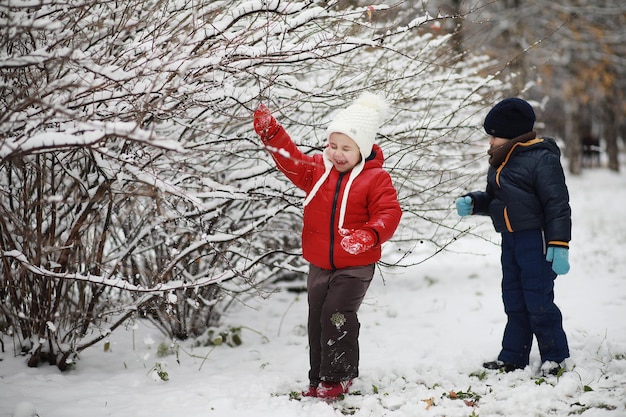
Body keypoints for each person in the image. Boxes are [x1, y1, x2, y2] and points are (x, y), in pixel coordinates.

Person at [253, 93, 402, 399]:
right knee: (317, 318)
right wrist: (271, 132)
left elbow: (389, 213)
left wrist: (369, 235)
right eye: (333, 146)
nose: (338, 153)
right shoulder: (318, 171)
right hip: (319, 264)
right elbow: (290, 159)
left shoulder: (376, 179)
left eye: (346, 148)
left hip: (355, 266)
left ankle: (339, 375)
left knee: (337, 314)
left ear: (362, 149)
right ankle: (318, 376)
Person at [455, 97, 571, 376]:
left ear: (512, 134)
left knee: (538, 300)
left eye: (494, 135)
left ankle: (554, 356)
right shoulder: (500, 161)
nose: (491, 141)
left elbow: (557, 204)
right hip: (511, 240)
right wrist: (475, 203)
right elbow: (497, 199)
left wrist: (559, 243)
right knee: (514, 299)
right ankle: (513, 356)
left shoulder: (542, 158)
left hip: (537, 239)